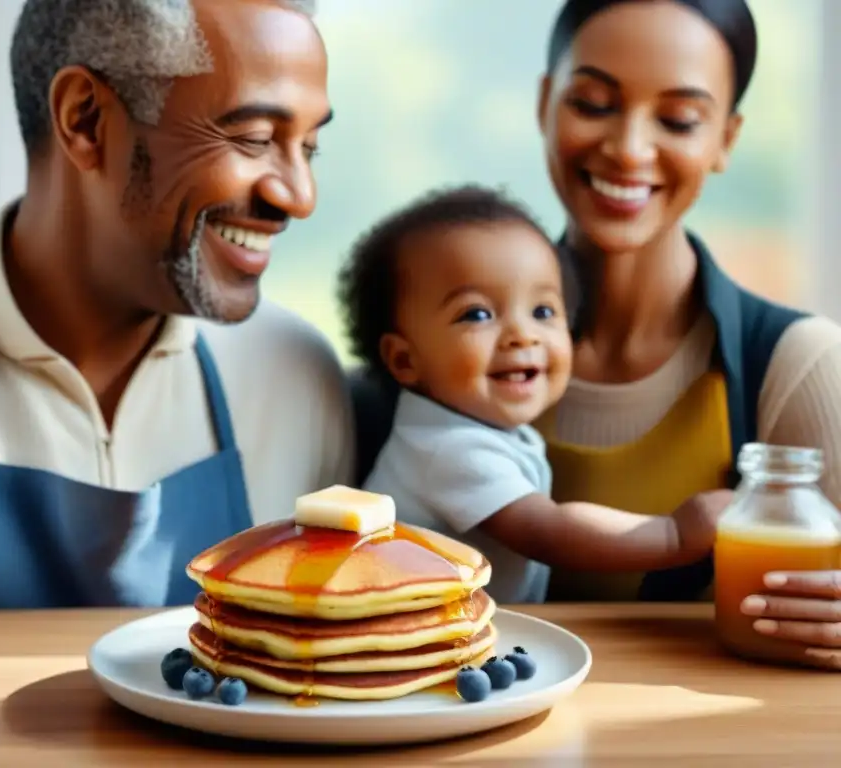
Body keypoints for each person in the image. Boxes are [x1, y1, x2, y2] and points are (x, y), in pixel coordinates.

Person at [0, 0, 353, 615]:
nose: (300, 196)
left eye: (308, 148)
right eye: (256, 139)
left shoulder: (296, 375)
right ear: (87, 120)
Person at [350, 0, 841, 670]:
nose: (630, 149)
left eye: (678, 119)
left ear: (726, 138)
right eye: (594, 102)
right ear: (545, 103)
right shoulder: (419, 382)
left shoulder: (795, 366)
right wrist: (672, 534)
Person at [339, 184, 730, 602]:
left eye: (543, 311)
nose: (522, 335)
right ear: (404, 360)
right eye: (477, 314)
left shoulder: (475, 431)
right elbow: (548, 531)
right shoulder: (447, 450)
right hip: (415, 648)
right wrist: (674, 534)